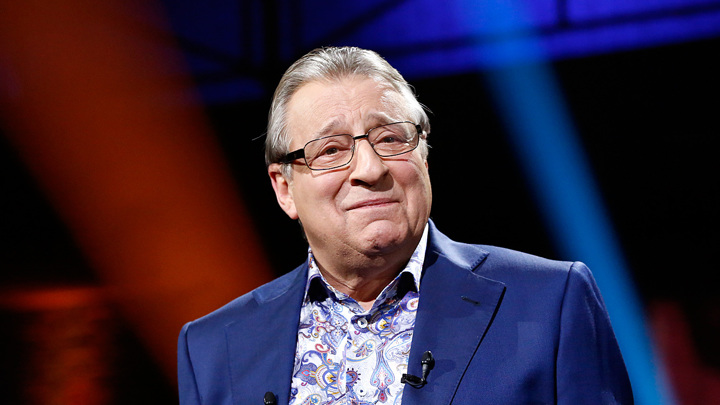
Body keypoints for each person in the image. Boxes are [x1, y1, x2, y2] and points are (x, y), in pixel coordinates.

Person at [177, 46, 633, 405]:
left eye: (391, 138)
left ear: (424, 156)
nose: (370, 168)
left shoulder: (550, 302)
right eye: (331, 150)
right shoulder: (212, 349)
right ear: (284, 189)